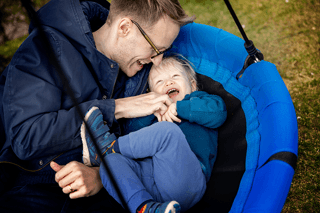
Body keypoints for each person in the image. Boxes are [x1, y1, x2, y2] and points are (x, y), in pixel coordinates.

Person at [0, 0, 195, 212]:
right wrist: (117, 107)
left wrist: (101, 175)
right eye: (155, 49)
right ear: (124, 28)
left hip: (106, 190)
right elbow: (26, 138)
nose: (157, 61)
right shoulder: (46, 48)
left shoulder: (138, 72)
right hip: (34, 185)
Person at [80, 56, 227, 213]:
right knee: (110, 163)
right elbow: (133, 136)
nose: (168, 83)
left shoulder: (199, 100)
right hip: (151, 182)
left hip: (188, 179)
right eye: (159, 82)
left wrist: (180, 107)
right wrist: (151, 110)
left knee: (168, 132)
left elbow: (218, 113)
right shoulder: (153, 116)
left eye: (175, 76)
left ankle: (108, 148)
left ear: (193, 84)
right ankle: (145, 207)